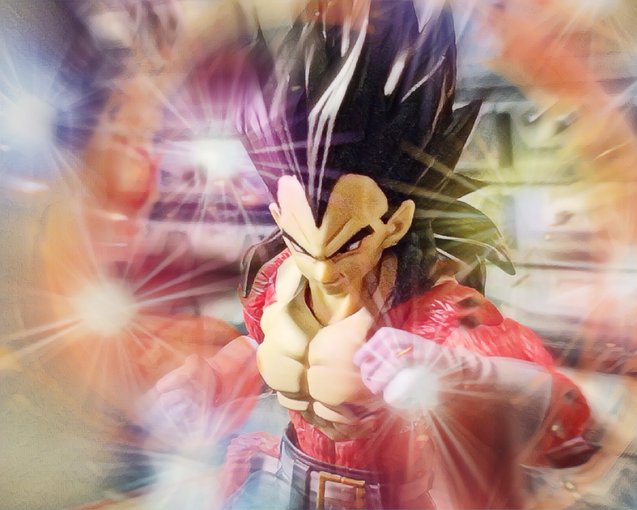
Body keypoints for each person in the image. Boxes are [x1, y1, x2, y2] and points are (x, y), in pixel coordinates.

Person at [153, 1, 596, 508]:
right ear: (278, 217)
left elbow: (564, 417)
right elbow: (261, 348)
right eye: (300, 242)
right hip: (287, 485)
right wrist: (211, 378)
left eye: (348, 244)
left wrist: (457, 371)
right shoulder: (276, 282)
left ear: (396, 224)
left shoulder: (433, 314)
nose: (323, 270)